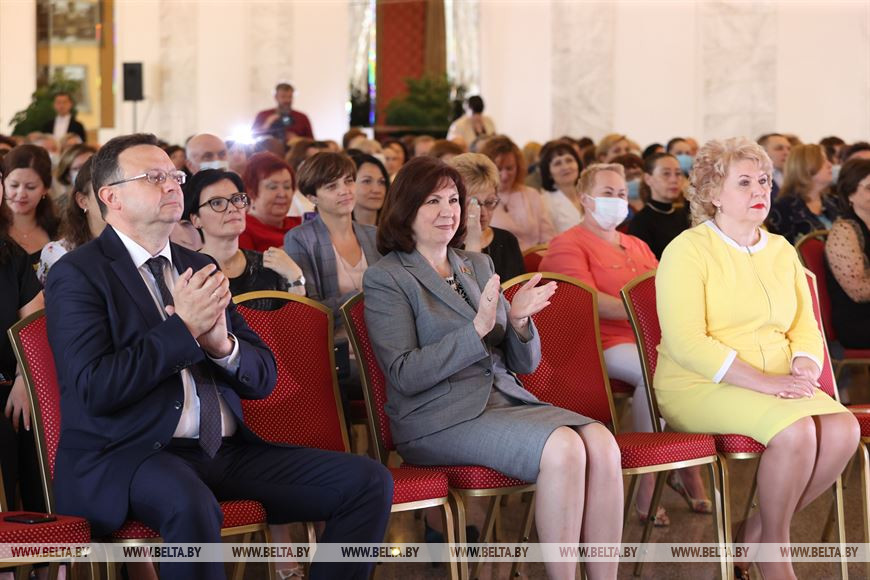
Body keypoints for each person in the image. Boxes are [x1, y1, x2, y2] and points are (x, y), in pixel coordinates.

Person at [44, 133, 392, 580]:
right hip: (127, 454)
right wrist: (183, 330)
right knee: (189, 502)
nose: (172, 184)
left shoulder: (197, 265)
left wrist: (221, 347)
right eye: (154, 177)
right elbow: (95, 387)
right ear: (110, 197)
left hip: (222, 451)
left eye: (174, 175)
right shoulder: (78, 274)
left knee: (366, 481)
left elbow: (263, 377)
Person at [364, 155, 622, 580]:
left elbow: (526, 363)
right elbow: (405, 374)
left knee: (603, 443)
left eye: (453, 200)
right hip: (436, 417)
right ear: (405, 208)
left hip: (504, 400)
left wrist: (518, 320)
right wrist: (479, 328)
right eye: (433, 201)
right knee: (565, 448)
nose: (449, 212)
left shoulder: (475, 264)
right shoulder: (388, 278)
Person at [655, 137, 858, 579]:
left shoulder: (781, 250)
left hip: (778, 378)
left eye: (763, 181)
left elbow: (805, 323)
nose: (759, 191)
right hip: (701, 384)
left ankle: (755, 534)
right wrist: (766, 383)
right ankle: (774, 551)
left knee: (843, 429)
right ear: (712, 193)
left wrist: (805, 363)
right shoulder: (688, 251)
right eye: (743, 182)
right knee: (797, 432)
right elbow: (688, 342)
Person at [539, 163, 708, 525]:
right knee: (656, 372)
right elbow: (584, 301)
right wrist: (647, 312)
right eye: (606, 194)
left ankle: (682, 464)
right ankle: (647, 480)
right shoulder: (567, 244)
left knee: (695, 366)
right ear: (585, 199)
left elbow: (666, 289)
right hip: (595, 344)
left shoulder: (636, 244)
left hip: (650, 340)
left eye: (620, 194)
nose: (616, 201)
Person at [187, 169, 304, 307]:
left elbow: (297, 325)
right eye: (217, 203)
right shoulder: (188, 272)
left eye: (237, 199)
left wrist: (295, 278)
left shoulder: (268, 264)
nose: (232, 208)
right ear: (196, 220)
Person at [0, 163, 46, 516]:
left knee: (25, 420)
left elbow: (35, 325)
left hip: (7, 387)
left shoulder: (10, 253)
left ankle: (30, 557)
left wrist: (23, 378)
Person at [450, 153, 525, 280]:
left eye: (490, 202)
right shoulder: (444, 245)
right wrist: (473, 239)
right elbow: (467, 296)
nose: (483, 212)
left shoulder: (507, 240)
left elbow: (518, 289)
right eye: (473, 204)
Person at [825, 158, 870, 348]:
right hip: (858, 321)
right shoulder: (844, 231)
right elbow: (858, 291)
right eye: (869, 188)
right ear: (850, 193)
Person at [37, 158, 105, 283]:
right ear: (83, 201)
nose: (113, 198)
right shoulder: (58, 253)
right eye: (102, 192)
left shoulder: (137, 246)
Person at [480, 136, 555, 251]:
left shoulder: (532, 194)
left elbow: (548, 239)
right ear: (486, 169)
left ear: (518, 167)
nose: (504, 175)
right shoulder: (479, 199)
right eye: (498, 169)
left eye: (510, 168)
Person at [767, 143, 842, 244]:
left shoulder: (835, 202)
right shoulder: (783, 207)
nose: (830, 165)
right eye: (823, 161)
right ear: (805, 166)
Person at [1, 145, 60, 268]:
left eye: (30, 187)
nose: (21, 194)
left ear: (45, 189)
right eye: (14, 185)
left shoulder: (59, 230)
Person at [628, 153, 691, 259]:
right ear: (648, 179)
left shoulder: (686, 213)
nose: (674, 180)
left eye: (678, 173)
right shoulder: (640, 223)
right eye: (666, 174)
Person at [238, 153, 302, 252]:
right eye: (273, 187)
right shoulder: (242, 229)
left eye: (287, 187)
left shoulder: (301, 224)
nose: (282, 194)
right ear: (251, 192)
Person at [539, 139, 583, 234]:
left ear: (578, 164)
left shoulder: (589, 193)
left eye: (569, 160)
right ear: (549, 173)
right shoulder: (544, 203)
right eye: (558, 163)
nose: (566, 167)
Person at [347, 151, 389, 226]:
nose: (377, 190)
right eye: (367, 181)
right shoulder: (335, 233)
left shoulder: (394, 231)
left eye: (381, 182)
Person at [52, 143, 96, 209]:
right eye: (78, 168)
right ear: (67, 176)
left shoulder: (110, 201)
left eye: (90, 165)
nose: (87, 171)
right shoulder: (56, 209)